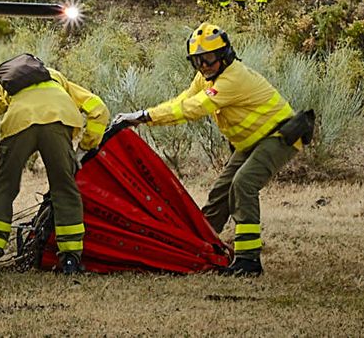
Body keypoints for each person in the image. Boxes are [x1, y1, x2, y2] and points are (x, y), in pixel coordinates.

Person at [111, 23, 311, 277]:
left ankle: (248, 261)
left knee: (243, 184)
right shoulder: (206, 77)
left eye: (208, 58)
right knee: (221, 192)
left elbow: (194, 108)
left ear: (224, 54)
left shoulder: (232, 79)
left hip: (280, 136)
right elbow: (183, 100)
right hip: (251, 140)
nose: (203, 66)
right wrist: (144, 115)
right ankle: (200, 246)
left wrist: (143, 116)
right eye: (197, 61)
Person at [0, 53, 109, 275]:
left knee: (4, 188)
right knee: (64, 189)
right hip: (57, 121)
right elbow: (99, 109)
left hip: (19, 123)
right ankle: (70, 260)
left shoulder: (8, 84)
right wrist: (86, 147)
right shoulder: (56, 77)